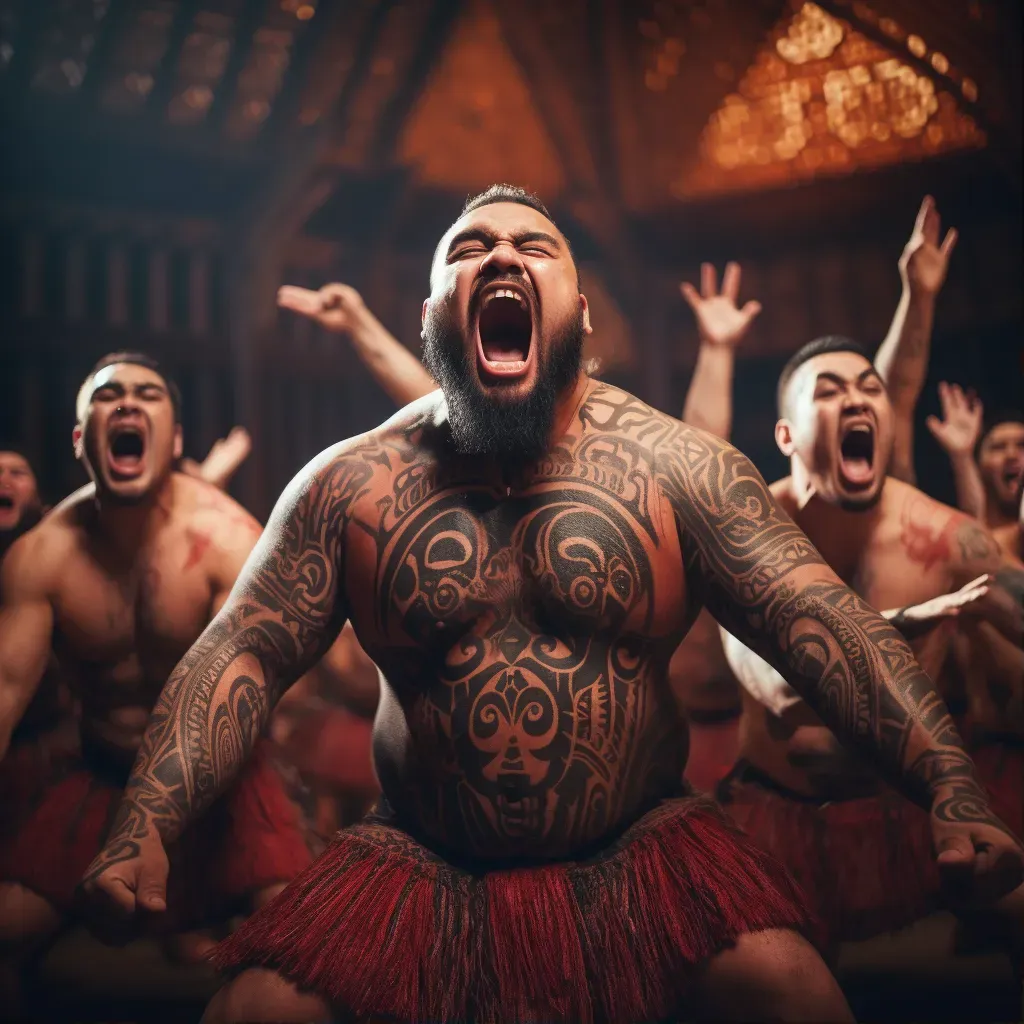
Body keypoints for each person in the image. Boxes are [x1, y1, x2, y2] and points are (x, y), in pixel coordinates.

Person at [80, 185, 1022, 1024]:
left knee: (794, 993)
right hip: (419, 854)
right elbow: (237, 655)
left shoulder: (679, 470)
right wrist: (142, 829)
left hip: (641, 846)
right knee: (253, 1010)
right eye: (467, 248)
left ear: (578, 310)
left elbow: (821, 628)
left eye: (533, 247)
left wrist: (950, 784)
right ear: (431, 317)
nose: (498, 255)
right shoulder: (348, 487)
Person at [0, 352, 313, 1000]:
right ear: (83, 439)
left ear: (173, 440)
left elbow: (266, 683)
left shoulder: (229, 540)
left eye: (147, 393)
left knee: (302, 950)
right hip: (106, 773)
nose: (127, 403)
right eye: (108, 396)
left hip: (223, 782)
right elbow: (3, 694)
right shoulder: (41, 557)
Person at [710, 333, 1024, 953]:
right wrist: (901, 620)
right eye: (829, 392)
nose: (856, 400)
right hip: (776, 819)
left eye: (869, 389)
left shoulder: (941, 536)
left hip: (904, 810)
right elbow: (777, 687)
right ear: (786, 437)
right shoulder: (742, 529)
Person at [927, 385, 1024, 542]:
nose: (1011, 455)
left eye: (1022, 445)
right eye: (998, 447)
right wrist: (962, 456)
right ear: (978, 468)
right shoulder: (963, 545)